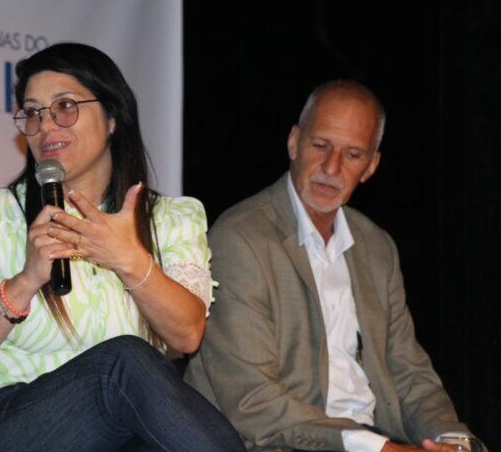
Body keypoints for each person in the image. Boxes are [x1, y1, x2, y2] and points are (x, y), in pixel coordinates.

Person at [0, 42, 244, 452]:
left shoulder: (168, 219)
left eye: (64, 107)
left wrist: (130, 261)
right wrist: (25, 282)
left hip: (120, 432)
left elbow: (186, 335)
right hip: (11, 424)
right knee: (121, 364)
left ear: (112, 117)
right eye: (33, 113)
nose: (46, 125)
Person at [185, 80, 482, 452]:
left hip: (373, 438)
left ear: (371, 166)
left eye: (352, 154)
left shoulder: (376, 247)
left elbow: (409, 373)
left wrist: (453, 441)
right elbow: (253, 399)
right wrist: (377, 448)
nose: (332, 167)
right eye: (321, 146)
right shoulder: (240, 239)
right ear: (294, 143)